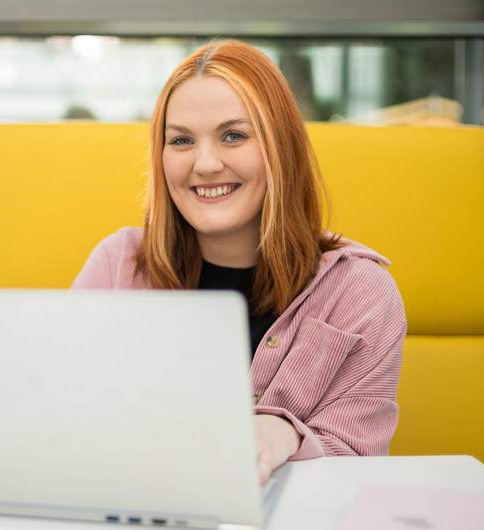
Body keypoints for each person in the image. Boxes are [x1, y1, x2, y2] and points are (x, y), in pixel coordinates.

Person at [71, 40, 406, 483]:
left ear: (280, 148)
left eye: (234, 135)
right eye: (182, 140)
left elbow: (357, 460)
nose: (206, 164)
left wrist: (283, 433)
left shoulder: (361, 293)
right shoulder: (119, 265)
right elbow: (65, 417)